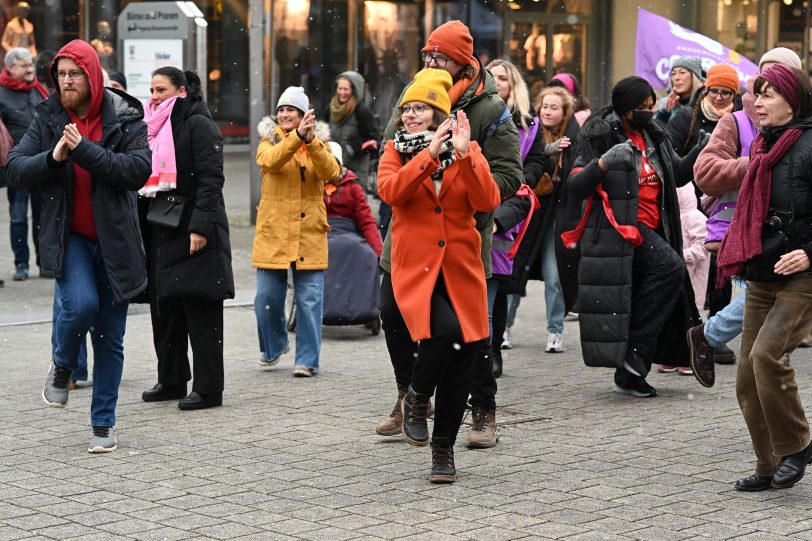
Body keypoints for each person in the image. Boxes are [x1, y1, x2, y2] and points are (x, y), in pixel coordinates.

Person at [374, 20, 523, 450]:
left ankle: (483, 408)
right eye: (427, 57)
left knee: (469, 331)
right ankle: (410, 396)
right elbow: (391, 159)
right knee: (393, 315)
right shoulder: (415, 95)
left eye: (439, 57)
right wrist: (422, 154)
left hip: (461, 235)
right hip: (409, 235)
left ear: (461, 63)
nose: (431, 63)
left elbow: (509, 175)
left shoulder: (489, 108)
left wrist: (467, 171)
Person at [6, 39, 151, 452]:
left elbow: (136, 171)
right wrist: (53, 157)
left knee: (110, 339)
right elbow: (16, 168)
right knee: (81, 305)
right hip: (69, 238)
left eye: (75, 74)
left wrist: (84, 150)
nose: (67, 81)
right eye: (61, 74)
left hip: (116, 243)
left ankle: (103, 425)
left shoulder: (125, 116)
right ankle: (64, 363)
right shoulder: (49, 115)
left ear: (92, 76)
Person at [377, 68, 500, 483]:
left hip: (462, 269)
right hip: (416, 270)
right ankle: (416, 396)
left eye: (420, 109)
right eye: (406, 109)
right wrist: (427, 156)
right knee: (444, 332)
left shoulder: (469, 149)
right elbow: (391, 192)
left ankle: (443, 449)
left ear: (440, 115)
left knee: (466, 359)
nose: (410, 116)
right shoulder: (396, 151)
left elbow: (488, 201)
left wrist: (465, 154)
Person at [565, 76, 706, 397]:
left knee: (663, 282)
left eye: (652, 106)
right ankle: (633, 357)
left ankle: (633, 366)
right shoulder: (598, 134)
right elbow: (575, 186)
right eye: (643, 108)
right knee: (671, 268)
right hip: (620, 229)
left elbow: (678, 174)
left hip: (657, 228)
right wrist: (603, 163)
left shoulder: (654, 134)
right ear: (626, 109)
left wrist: (700, 149)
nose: (650, 112)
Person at [712, 65, 812, 492]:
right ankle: (769, 464)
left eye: (768, 95)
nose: (757, 102)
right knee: (747, 377)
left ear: (793, 101)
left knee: (766, 356)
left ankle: (796, 445)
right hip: (761, 270)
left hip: (802, 274)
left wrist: (809, 253)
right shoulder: (762, 145)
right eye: (756, 94)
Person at [689, 47, 803, 387]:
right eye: (764, 78)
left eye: (780, 79)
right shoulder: (736, 121)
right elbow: (704, 172)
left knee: (772, 322)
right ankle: (709, 336)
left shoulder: (803, 125)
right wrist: (755, 166)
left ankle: (712, 339)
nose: (768, 89)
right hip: (747, 231)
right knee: (769, 308)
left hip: (789, 235)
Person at [138, 67, 234, 410]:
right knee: (166, 309)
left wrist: (201, 227)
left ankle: (209, 389)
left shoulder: (197, 123)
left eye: (161, 89)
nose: (154, 96)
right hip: (162, 225)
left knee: (201, 308)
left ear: (180, 91)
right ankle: (172, 378)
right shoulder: (152, 123)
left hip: (194, 225)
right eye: (151, 89)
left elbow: (212, 178)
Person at [253, 86, 339, 377]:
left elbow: (330, 172)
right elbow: (271, 161)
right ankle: (274, 346)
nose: (285, 114)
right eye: (281, 109)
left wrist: (311, 141)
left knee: (310, 299)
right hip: (273, 229)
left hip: (309, 229)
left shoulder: (321, 143)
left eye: (291, 109)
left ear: (304, 115)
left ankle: (307, 360)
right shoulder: (268, 141)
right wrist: (296, 137)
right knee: (266, 298)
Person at [509, 86, 580, 355]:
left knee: (554, 277)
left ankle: (555, 330)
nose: (548, 111)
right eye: (545, 106)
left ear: (564, 113)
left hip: (557, 218)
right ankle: (504, 327)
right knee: (514, 274)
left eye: (554, 107)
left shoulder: (574, 139)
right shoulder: (529, 133)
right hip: (528, 214)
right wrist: (549, 150)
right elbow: (525, 161)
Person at [483, 58, 538, 368]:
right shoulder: (474, 116)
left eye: (502, 77)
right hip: (479, 204)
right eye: (491, 76)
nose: (496, 82)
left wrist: (511, 185)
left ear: (513, 85)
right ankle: (484, 355)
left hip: (510, 211)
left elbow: (534, 167)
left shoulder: (529, 127)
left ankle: (491, 355)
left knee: (498, 287)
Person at [0, 47, 47, 281]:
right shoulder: (1, 93)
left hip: (42, 163)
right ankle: (21, 264)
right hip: (16, 166)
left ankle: (43, 262)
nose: (30, 69)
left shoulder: (39, 89)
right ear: (10, 68)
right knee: (18, 216)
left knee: (43, 215)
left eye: (31, 64)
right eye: (24, 65)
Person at [658, 184, 709, 376]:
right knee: (673, 319)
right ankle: (671, 357)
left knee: (690, 320)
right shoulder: (670, 218)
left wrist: (680, 256)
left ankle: (690, 358)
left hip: (692, 279)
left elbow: (703, 247)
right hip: (674, 279)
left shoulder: (695, 218)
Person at [323, 141, 382, 257]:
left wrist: (377, 252)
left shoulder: (352, 188)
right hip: (320, 238)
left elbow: (366, 221)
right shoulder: (312, 188)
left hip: (348, 238)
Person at [669, 63, 741, 158]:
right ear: (706, 91)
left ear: (734, 95)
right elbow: (671, 161)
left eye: (725, 93)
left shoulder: (742, 121)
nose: (718, 98)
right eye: (714, 91)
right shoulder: (685, 117)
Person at [323, 71, 380, 191]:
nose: (342, 92)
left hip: (355, 171)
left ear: (354, 90)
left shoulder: (362, 111)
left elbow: (373, 140)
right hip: (332, 168)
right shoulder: (330, 109)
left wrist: (353, 148)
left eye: (346, 89)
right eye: (340, 88)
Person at [655, 56, 705, 125]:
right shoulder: (664, 104)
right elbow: (654, 133)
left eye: (682, 72)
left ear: (694, 77)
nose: (677, 78)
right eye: (673, 74)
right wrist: (664, 113)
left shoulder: (706, 103)